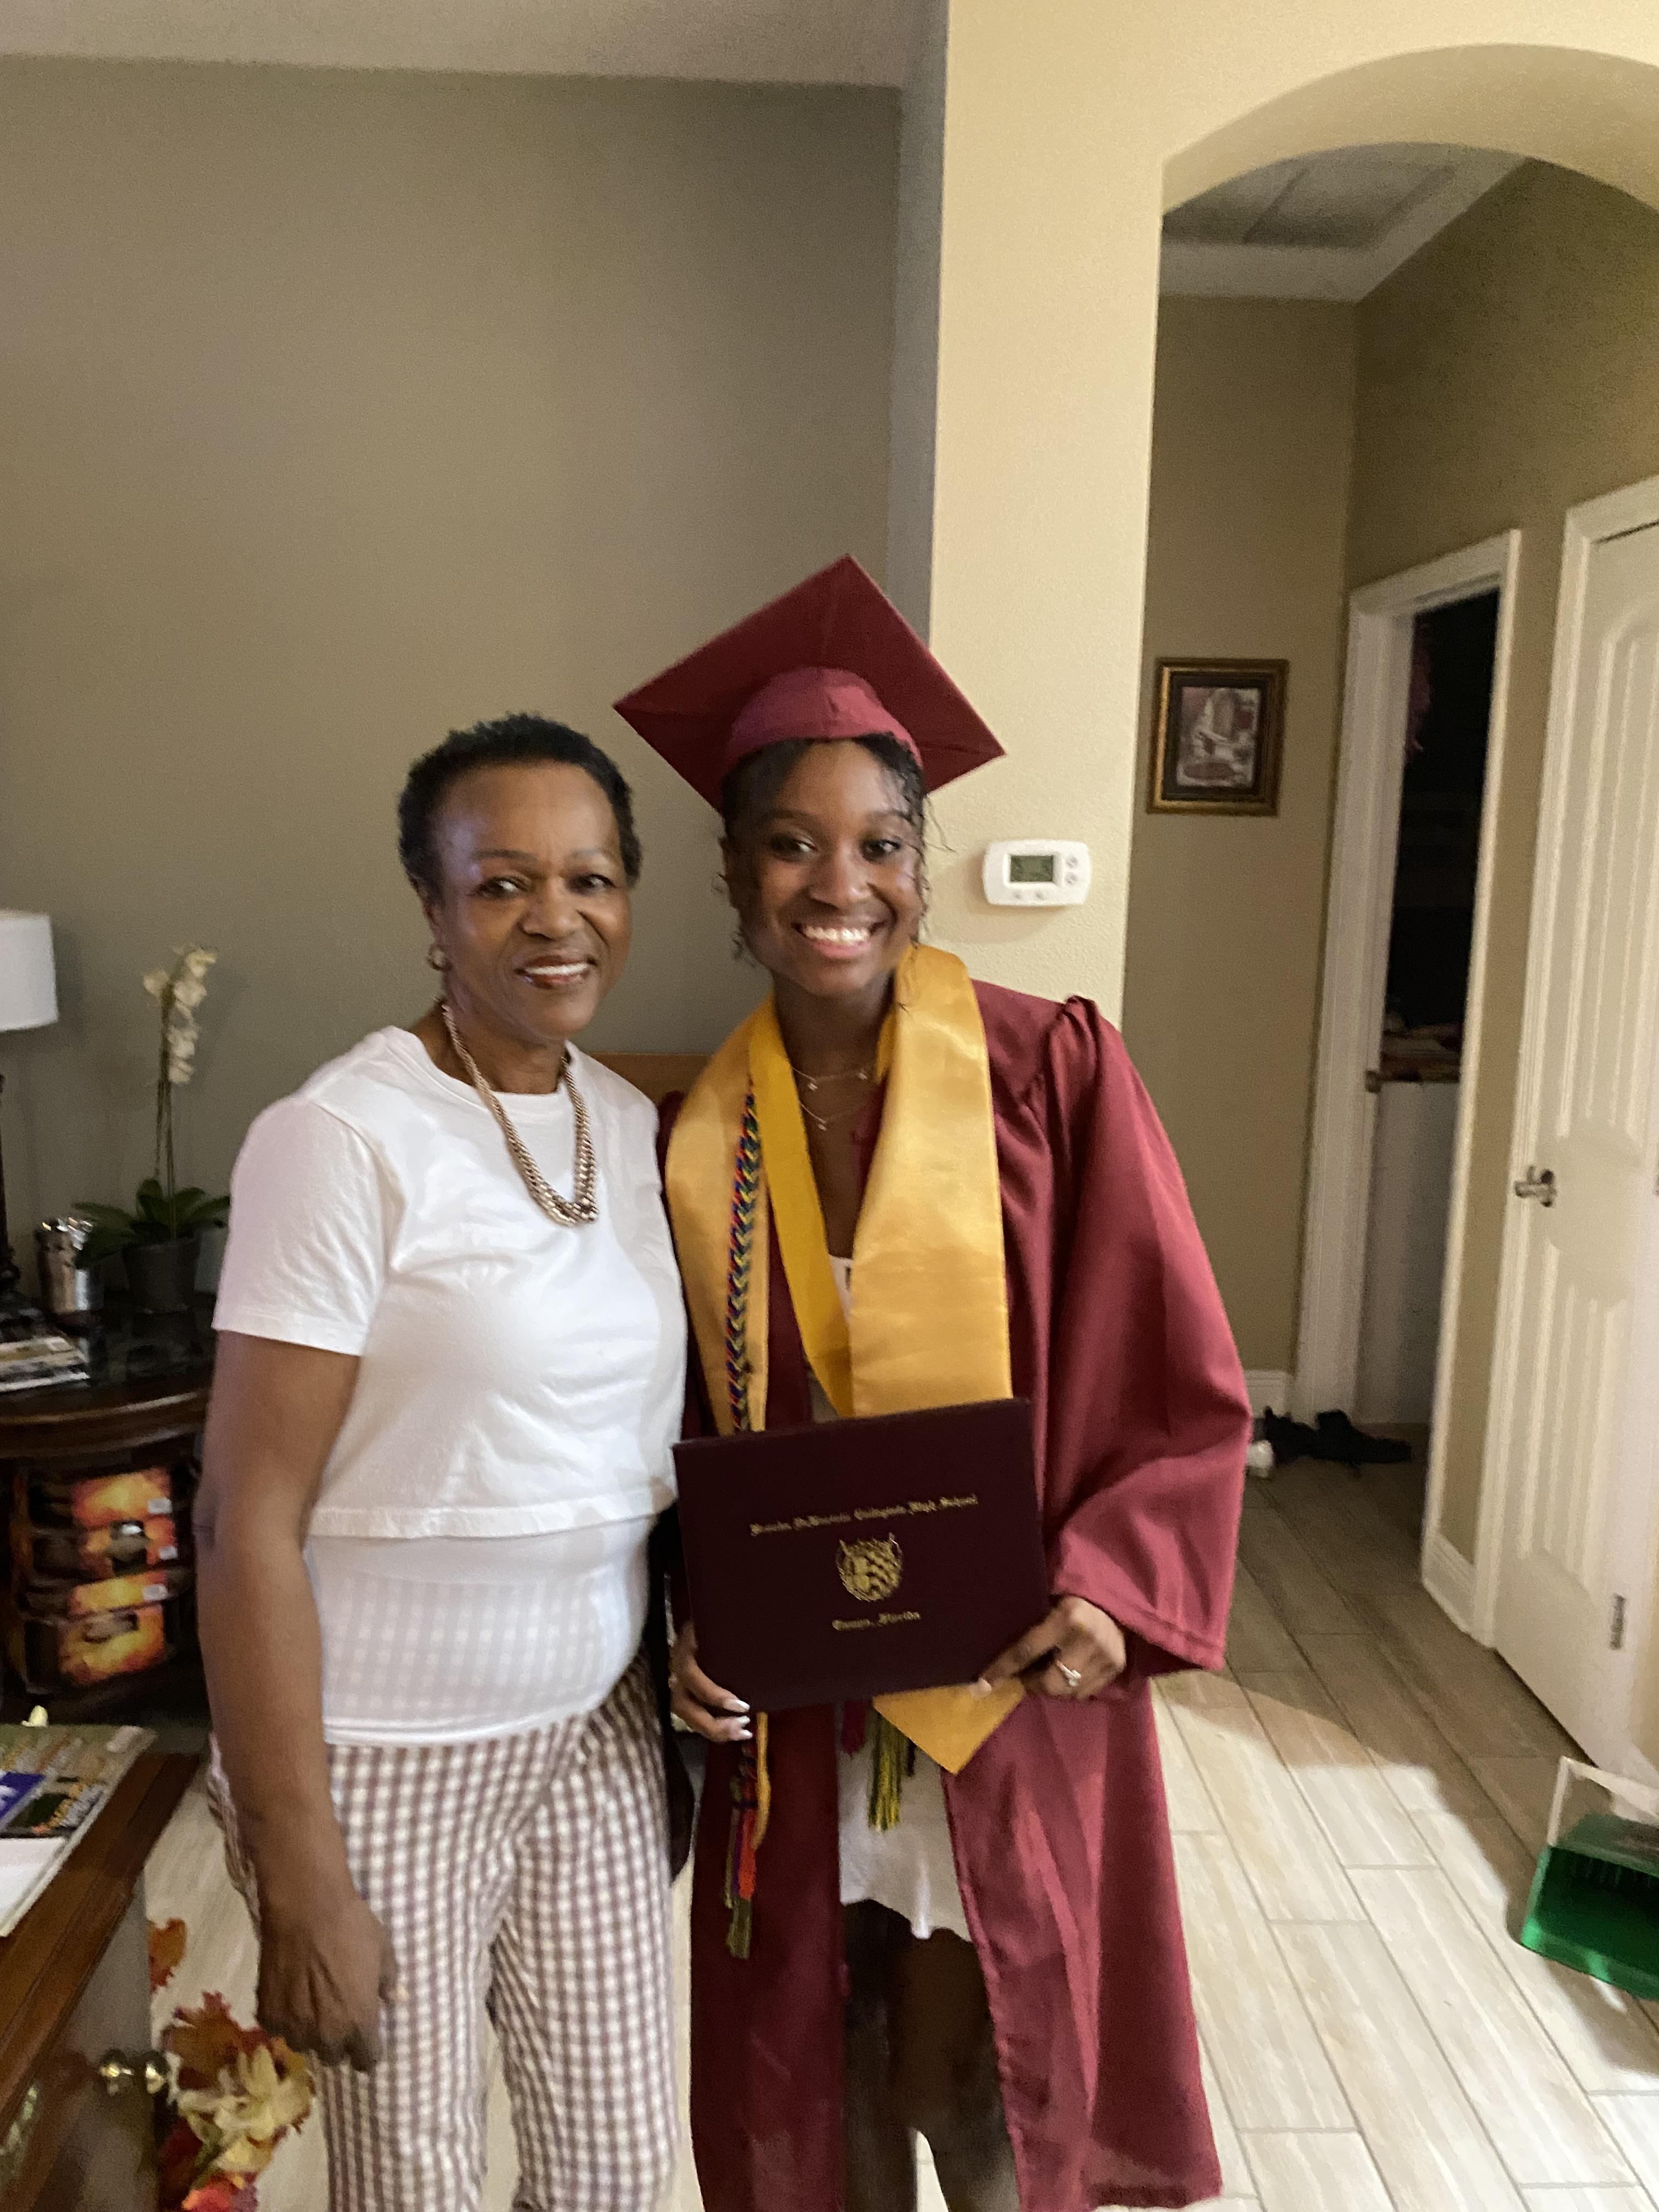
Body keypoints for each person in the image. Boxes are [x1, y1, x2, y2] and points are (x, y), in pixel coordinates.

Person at [613, 561, 1251, 2212]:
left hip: (1007, 1683)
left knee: (976, 2080)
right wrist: (685, 1619)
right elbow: (659, 1435)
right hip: (801, 1703)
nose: (843, 883)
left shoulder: (1048, 1072)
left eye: (881, 844)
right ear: (734, 876)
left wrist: (1118, 1592)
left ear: (923, 863)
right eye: (792, 843)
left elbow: (1175, 1373)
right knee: (820, 2068)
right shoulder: (693, 1140)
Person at [195, 714, 687, 2212]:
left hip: (592, 1729)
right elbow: (242, 1515)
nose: (557, 919)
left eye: (592, 878)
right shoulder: (341, 1138)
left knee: (616, 2165)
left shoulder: (626, 1119)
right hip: (385, 1748)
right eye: (502, 884)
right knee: (414, 2181)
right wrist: (300, 1869)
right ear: (432, 909)